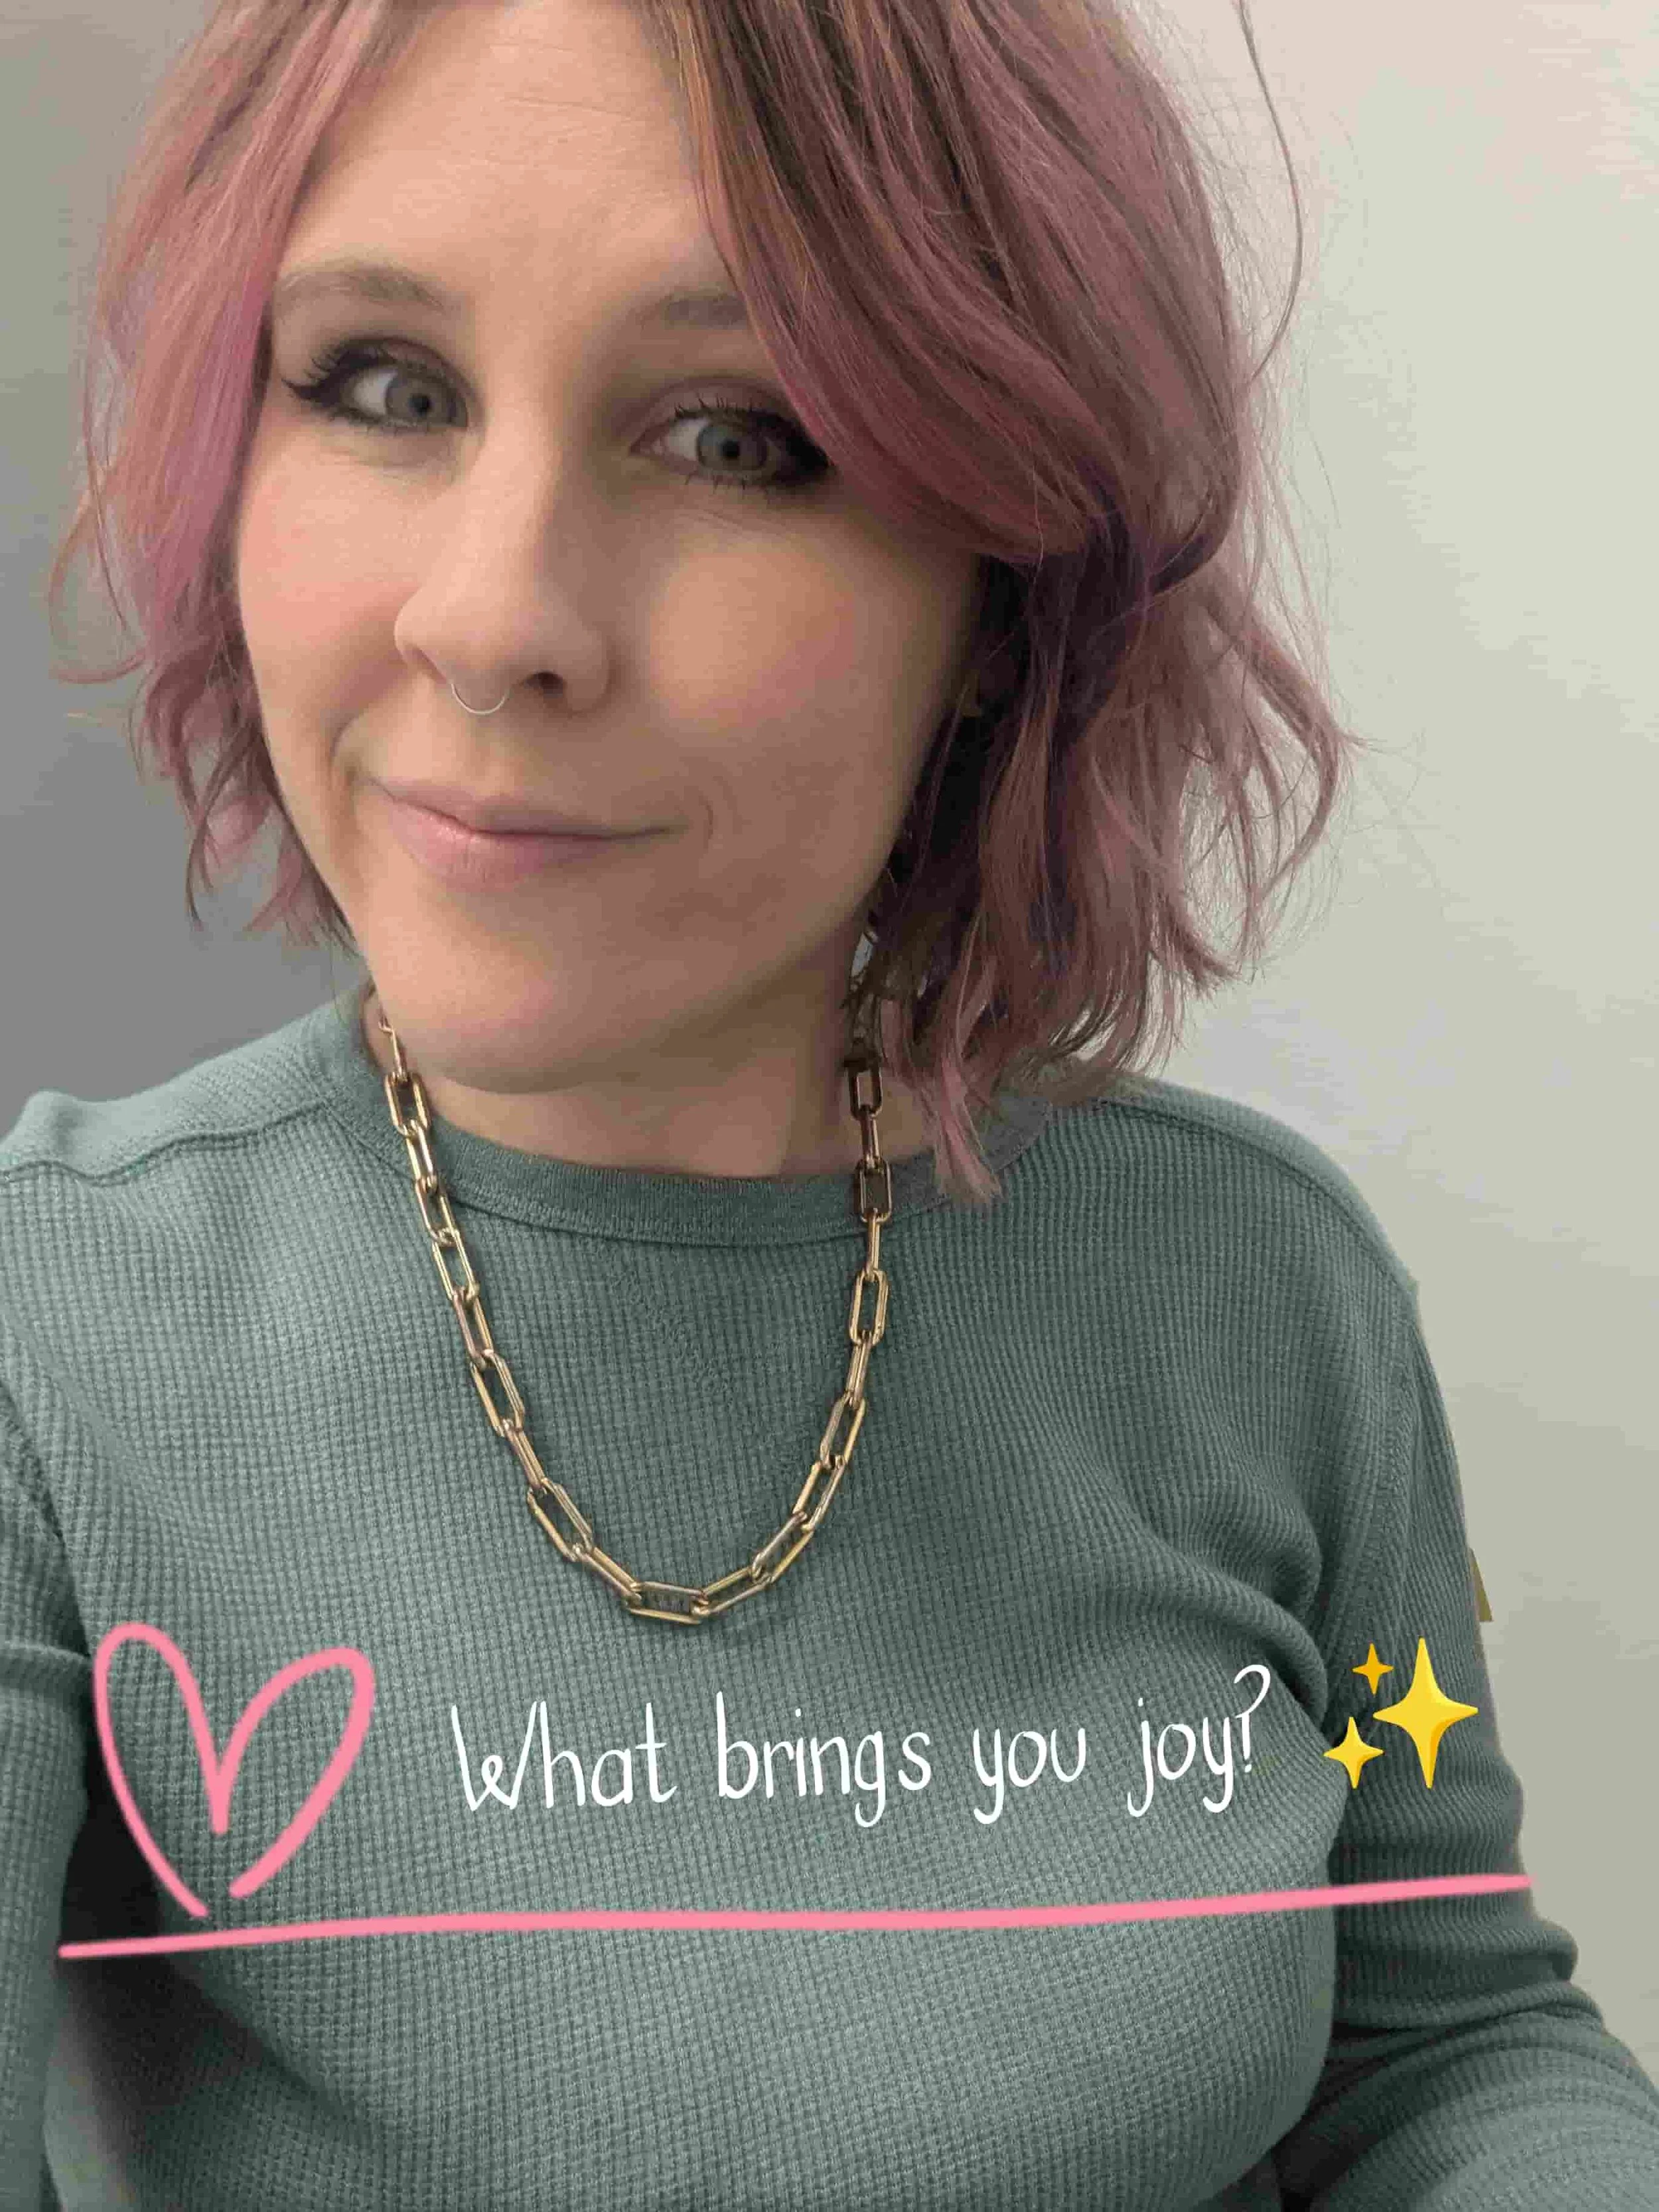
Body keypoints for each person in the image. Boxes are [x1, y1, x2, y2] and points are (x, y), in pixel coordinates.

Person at [4, 0, 1657, 2206]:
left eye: (734, 438)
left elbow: (1439, 2039)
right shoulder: (57, 1335)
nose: (493, 617)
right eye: (384, 388)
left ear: (1006, 589)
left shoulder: (1257, 1291)